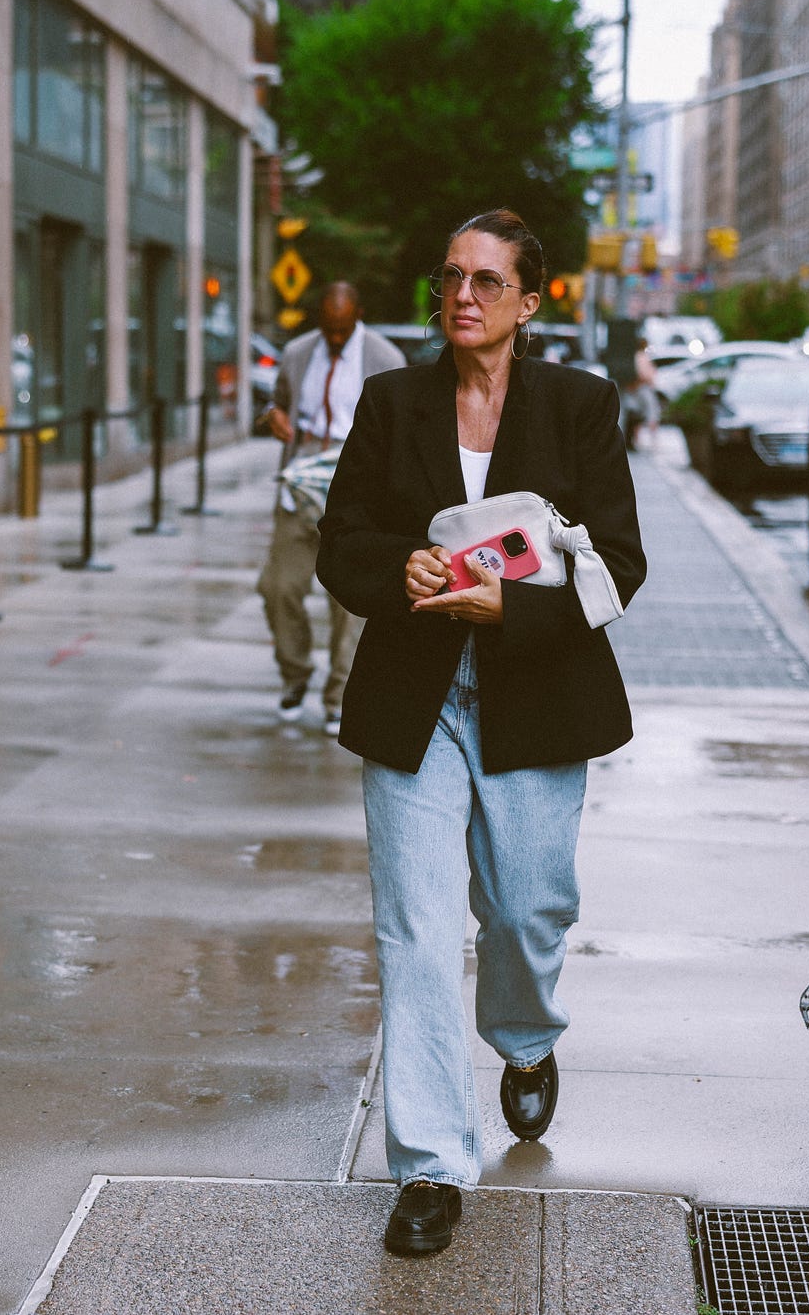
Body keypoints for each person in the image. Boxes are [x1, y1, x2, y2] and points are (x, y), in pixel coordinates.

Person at [316, 211, 646, 1255]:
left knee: (525, 911)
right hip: (415, 705)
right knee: (414, 933)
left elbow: (620, 563)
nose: (462, 295)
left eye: (486, 281)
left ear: (528, 300)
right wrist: (396, 570)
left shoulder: (579, 407)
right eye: (449, 277)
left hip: (536, 693)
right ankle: (426, 1169)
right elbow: (342, 543)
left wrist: (515, 613)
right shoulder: (391, 402)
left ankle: (524, 1040)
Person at [257, 283, 405, 736]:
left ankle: (339, 694)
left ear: (358, 314)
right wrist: (273, 415)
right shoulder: (299, 352)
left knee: (350, 602)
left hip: (355, 492)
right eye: (329, 329)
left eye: (344, 330)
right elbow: (278, 403)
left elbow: (400, 430)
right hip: (299, 489)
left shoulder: (385, 358)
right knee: (278, 588)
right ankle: (295, 674)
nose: (336, 339)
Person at [621, 334, 661, 449]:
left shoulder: (634, 356)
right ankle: (652, 438)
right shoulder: (641, 356)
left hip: (636, 388)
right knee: (651, 412)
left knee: (635, 413)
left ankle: (636, 439)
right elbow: (645, 374)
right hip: (642, 388)